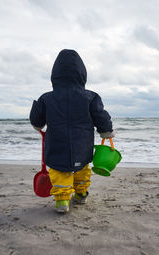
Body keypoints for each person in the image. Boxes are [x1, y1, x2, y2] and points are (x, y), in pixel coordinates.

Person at [29, 49, 114, 213]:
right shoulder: (91, 97)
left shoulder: (47, 98)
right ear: (82, 74)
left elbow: (36, 120)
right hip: (82, 145)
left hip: (56, 145)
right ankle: (81, 194)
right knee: (82, 169)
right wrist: (107, 131)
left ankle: (62, 202)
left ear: (55, 75)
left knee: (59, 172)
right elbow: (101, 116)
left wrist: (38, 125)